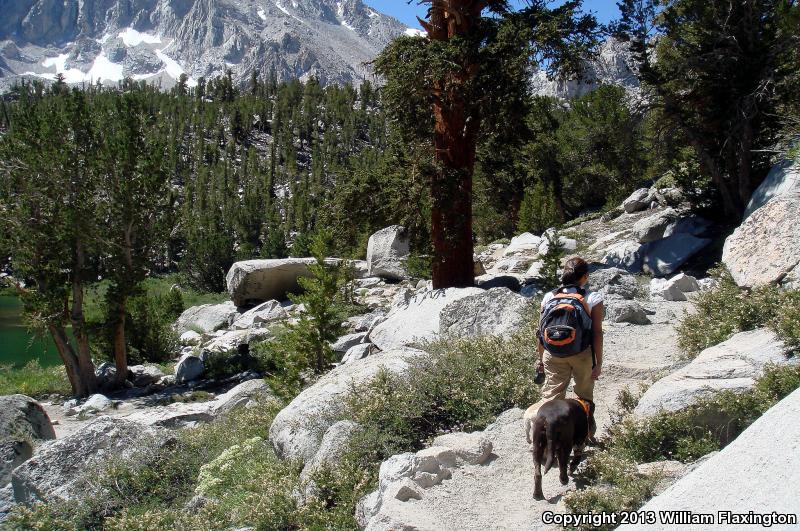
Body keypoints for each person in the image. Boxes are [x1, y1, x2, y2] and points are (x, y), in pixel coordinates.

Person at [535, 256, 604, 403]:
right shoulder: (592, 298)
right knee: (583, 399)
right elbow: (597, 333)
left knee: (551, 398)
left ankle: (547, 425)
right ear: (585, 276)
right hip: (582, 353)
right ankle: (584, 425)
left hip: (553, 353)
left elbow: (541, 332)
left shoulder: (549, 297)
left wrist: (541, 360)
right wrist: (598, 363)